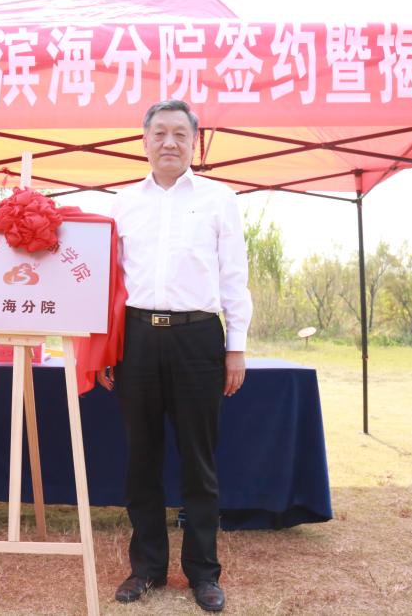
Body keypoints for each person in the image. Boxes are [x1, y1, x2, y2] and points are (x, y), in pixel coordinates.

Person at [98, 99, 252, 613]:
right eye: (159, 133)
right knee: (140, 458)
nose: (169, 142)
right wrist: (106, 346)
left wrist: (236, 347)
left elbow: (234, 277)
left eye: (180, 134)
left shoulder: (218, 199)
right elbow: (109, 282)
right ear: (144, 140)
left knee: (199, 461)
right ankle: (146, 568)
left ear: (194, 142)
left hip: (198, 338)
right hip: (137, 337)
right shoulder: (122, 203)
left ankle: (203, 573)